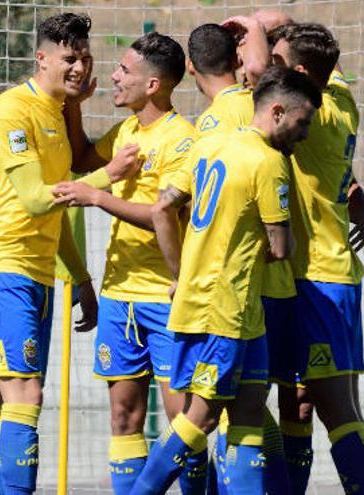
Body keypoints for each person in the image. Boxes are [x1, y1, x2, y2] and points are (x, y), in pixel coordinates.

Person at [0, 13, 141, 495]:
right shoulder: (12, 110)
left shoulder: (57, 114)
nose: (79, 67)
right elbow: (37, 198)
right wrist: (110, 177)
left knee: (6, 403)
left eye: (84, 58)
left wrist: (80, 279)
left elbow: (55, 212)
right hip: (2, 270)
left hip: (38, 273)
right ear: (40, 58)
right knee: (26, 395)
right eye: (68, 58)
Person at [133, 65, 322, 495]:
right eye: (302, 121)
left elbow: (164, 207)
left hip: (235, 307)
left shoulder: (210, 143)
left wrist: (182, 273)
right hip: (225, 307)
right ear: (277, 111)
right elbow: (279, 249)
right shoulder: (269, 161)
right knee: (201, 416)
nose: (305, 133)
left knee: (251, 412)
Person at [52, 33, 201, 494]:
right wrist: (74, 103)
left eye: (124, 70)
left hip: (166, 297)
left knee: (182, 419)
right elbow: (80, 158)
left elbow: (166, 215)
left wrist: (97, 197)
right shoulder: (127, 131)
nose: (113, 76)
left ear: (153, 84)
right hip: (120, 296)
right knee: (124, 417)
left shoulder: (182, 139)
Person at [270, 21, 364, 494]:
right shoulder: (341, 93)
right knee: (296, 402)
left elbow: (258, 68)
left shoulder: (319, 115)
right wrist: (358, 196)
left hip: (321, 280)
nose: (268, 68)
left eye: (279, 64)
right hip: (316, 277)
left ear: (297, 73)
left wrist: (254, 27)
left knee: (337, 408)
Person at [186, 21, 293, 494]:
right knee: (250, 407)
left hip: (227, 288)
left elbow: (174, 203)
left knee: (210, 412)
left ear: (190, 66)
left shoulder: (211, 122)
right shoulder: (249, 106)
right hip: (257, 285)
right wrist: (256, 24)